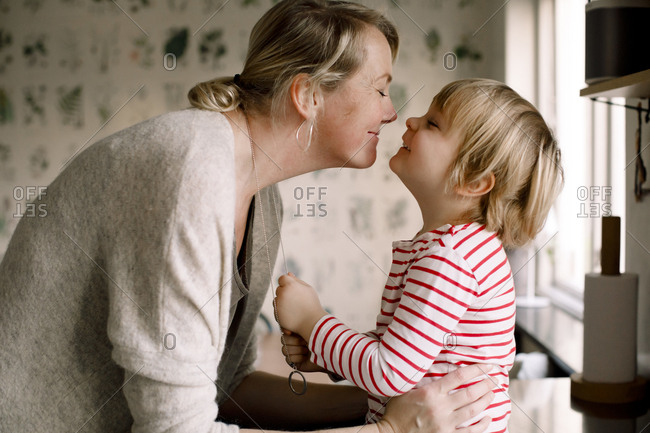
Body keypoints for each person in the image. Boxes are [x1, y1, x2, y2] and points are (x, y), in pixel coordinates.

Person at [0, 2, 498, 433]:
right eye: (380, 89)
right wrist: (391, 428)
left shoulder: (262, 196)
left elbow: (227, 387)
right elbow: (178, 429)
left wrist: (397, 406)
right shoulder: (188, 172)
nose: (393, 114)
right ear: (308, 96)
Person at [275, 78, 565, 433]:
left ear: (473, 182)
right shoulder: (462, 247)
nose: (411, 121)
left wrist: (312, 321)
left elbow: (389, 373)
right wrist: (325, 356)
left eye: (433, 123)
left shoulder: (449, 258)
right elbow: (408, 351)